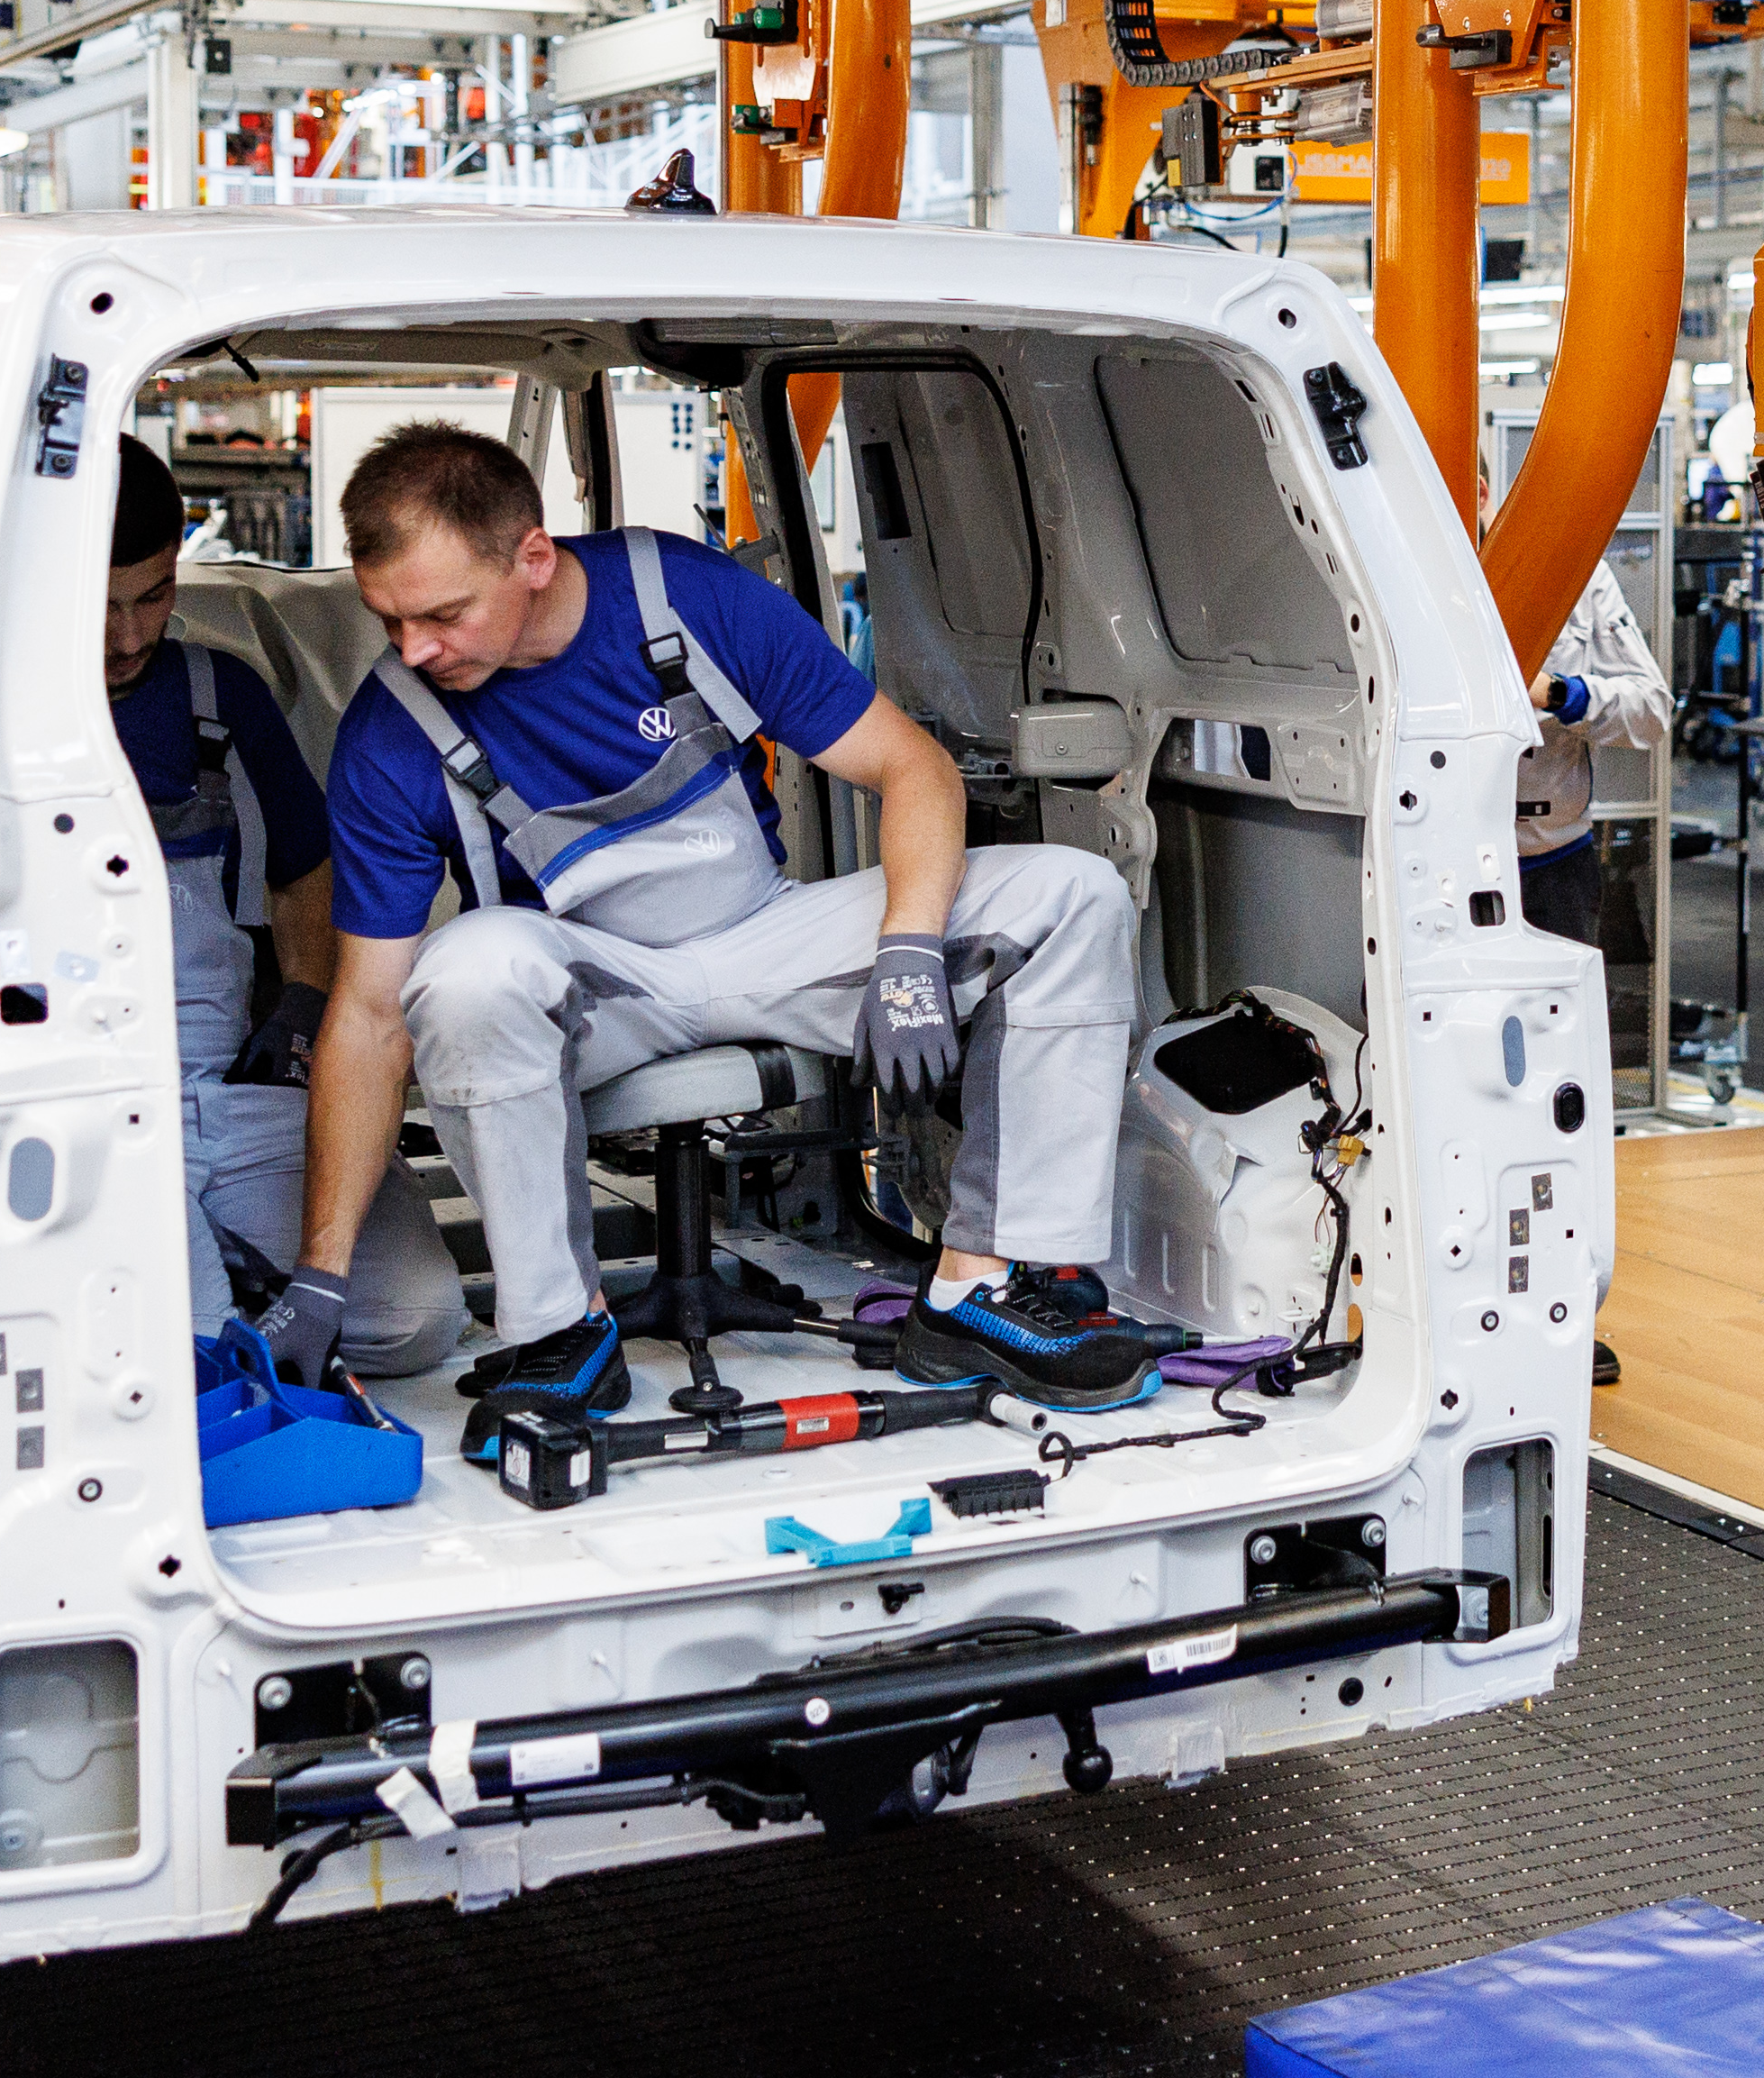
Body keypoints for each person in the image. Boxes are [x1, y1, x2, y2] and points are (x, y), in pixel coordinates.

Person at [269, 424, 1170, 1445]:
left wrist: (911, 952)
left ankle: (978, 1289)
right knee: (467, 968)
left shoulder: (681, 598)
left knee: (1071, 892)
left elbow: (910, 766)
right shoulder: (391, 729)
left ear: (531, 556)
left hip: (764, 932)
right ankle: (561, 1331)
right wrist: (320, 1274)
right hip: (599, 986)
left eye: (441, 615)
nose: (413, 650)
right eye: (389, 620)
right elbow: (367, 1013)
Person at [102, 436, 464, 1372]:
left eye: (152, 596)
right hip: (94, 1101)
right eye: (98, 608)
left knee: (414, 1316)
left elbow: (305, 868)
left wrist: (303, 996)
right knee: (171, 1348)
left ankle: (231, 1281)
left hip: (237, 1086)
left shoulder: (221, 699)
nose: (129, 636)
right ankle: (213, 1299)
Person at [1514, 561, 1669, 952]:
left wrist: (1563, 694)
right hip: (1443, 861)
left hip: (1554, 865)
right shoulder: (1419, 562)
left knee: (1560, 1009)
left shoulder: (1577, 567)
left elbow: (1652, 709)